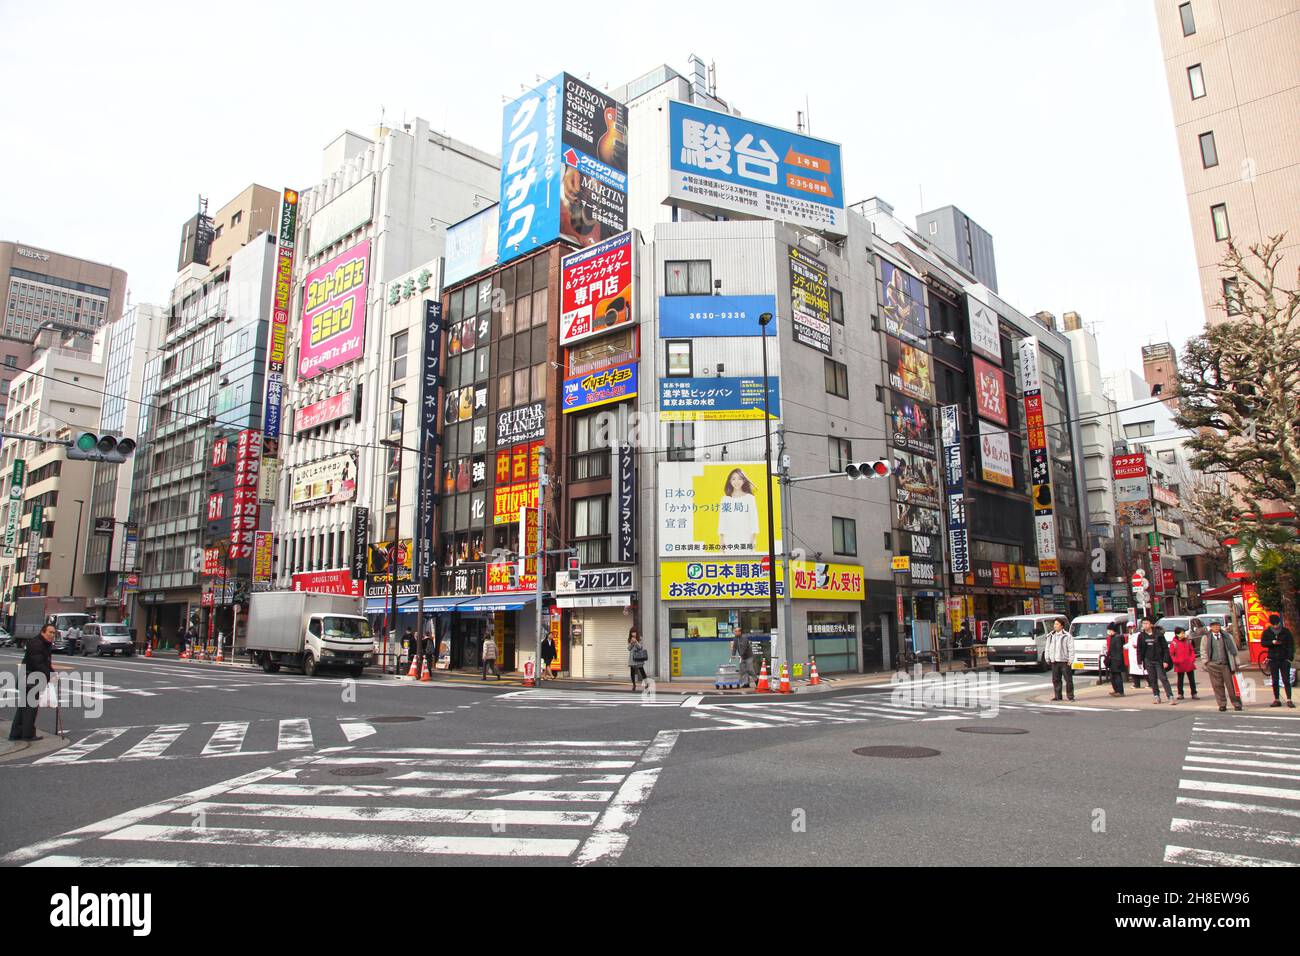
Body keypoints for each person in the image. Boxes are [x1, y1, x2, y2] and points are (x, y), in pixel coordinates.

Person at [9, 624, 55, 741]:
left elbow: (45, 663)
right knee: (30, 709)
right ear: (43, 632)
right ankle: (27, 734)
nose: (52, 635)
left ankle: (16, 734)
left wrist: (52, 672)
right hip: (30, 679)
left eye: (54, 633)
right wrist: (50, 674)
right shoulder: (37, 644)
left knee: (24, 708)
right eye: (50, 632)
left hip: (30, 679)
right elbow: (38, 663)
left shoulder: (44, 644)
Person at [1200, 619, 1242, 712]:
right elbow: (1203, 651)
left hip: (1226, 664)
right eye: (1214, 625)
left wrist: (1236, 662)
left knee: (1231, 686)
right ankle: (1222, 704)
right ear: (1210, 627)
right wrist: (1206, 662)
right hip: (1213, 664)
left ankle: (1236, 703)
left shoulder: (1227, 636)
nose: (1216, 627)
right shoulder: (1206, 637)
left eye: (1218, 625)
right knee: (1217, 686)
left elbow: (1234, 650)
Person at [717, 469, 759, 550]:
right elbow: (722, 521)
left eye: (740, 478)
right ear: (729, 481)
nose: (736, 481)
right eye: (733, 479)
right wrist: (721, 541)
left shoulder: (750, 498)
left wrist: (753, 540)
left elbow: (754, 520)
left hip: (746, 538)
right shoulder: (725, 499)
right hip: (729, 539)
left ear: (744, 481)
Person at [1138, 617, 1175, 704]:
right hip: (1148, 660)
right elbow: (1139, 650)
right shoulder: (1141, 636)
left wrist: (1166, 660)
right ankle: (1156, 696)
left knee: (1163, 678)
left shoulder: (1159, 634)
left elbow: (1165, 648)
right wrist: (1140, 661)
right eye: (1143, 623)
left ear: (1151, 624)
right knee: (1152, 679)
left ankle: (1170, 696)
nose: (1145, 625)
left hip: (1159, 660)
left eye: (1146, 623)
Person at [1262, 613, 1295, 708]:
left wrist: (1289, 658)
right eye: (1274, 624)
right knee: (1275, 680)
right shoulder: (1267, 632)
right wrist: (1271, 642)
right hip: (1273, 658)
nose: (1276, 626)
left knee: (1286, 680)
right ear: (1271, 624)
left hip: (1284, 659)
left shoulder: (1285, 631)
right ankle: (1277, 699)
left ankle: (1289, 699)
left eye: (1277, 624)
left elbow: (1291, 645)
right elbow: (1263, 643)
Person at [1044, 617, 1075, 702]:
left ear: (1062, 626)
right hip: (1054, 661)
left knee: (1068, 679)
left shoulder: (1067, 636)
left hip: (1064, 661)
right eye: (1054, 624)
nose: (1055, 626)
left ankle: (1070, 696)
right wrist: (1047, 658)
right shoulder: (1050, 635)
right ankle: (1057, 696)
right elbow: (1047, 647)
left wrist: (1070, 660)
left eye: (1057, 624)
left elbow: (1071, 649)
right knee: (1056, 680)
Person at [1169, 626, 1199, 701]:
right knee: (1180, 680)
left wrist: (1192, 659)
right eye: (1181, 633)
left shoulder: (1187, 641)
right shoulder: (1174, 643)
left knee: (1191, 679)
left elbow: (1192, 651)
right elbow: (1172, 654)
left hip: (1188, 663)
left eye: (1183, 633)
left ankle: (1194, 693)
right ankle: (1180, 694)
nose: (1183, 635)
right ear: (1177, 634)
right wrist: (1175, 661)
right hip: (1180, 664)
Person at [1105, 623, 1127, 696]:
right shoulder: (1113, 637)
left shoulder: (1117, 638)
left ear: (1112, 630)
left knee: (1117, 676)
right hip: (1113, 660)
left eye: (1108, 630)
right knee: (1113, 677)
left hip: (1116, 660)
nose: (1107, 632)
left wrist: (1118, 661)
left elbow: (1118, 651)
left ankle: (1120, 692)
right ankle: (1116, 690)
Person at [1125, 625, 1144, 689]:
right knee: (1133, 671)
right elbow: (1129, 644)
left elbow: (1140, 643)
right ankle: (1136, 684)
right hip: (1131, 655)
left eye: (1131, 627)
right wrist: (1124, 646)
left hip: (1137, 655)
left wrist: (1137, 645)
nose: (1130, 629)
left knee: (1142, 670)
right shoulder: (1130, 635)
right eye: (1129, 628)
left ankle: (1150, 683)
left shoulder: (1139, 635)